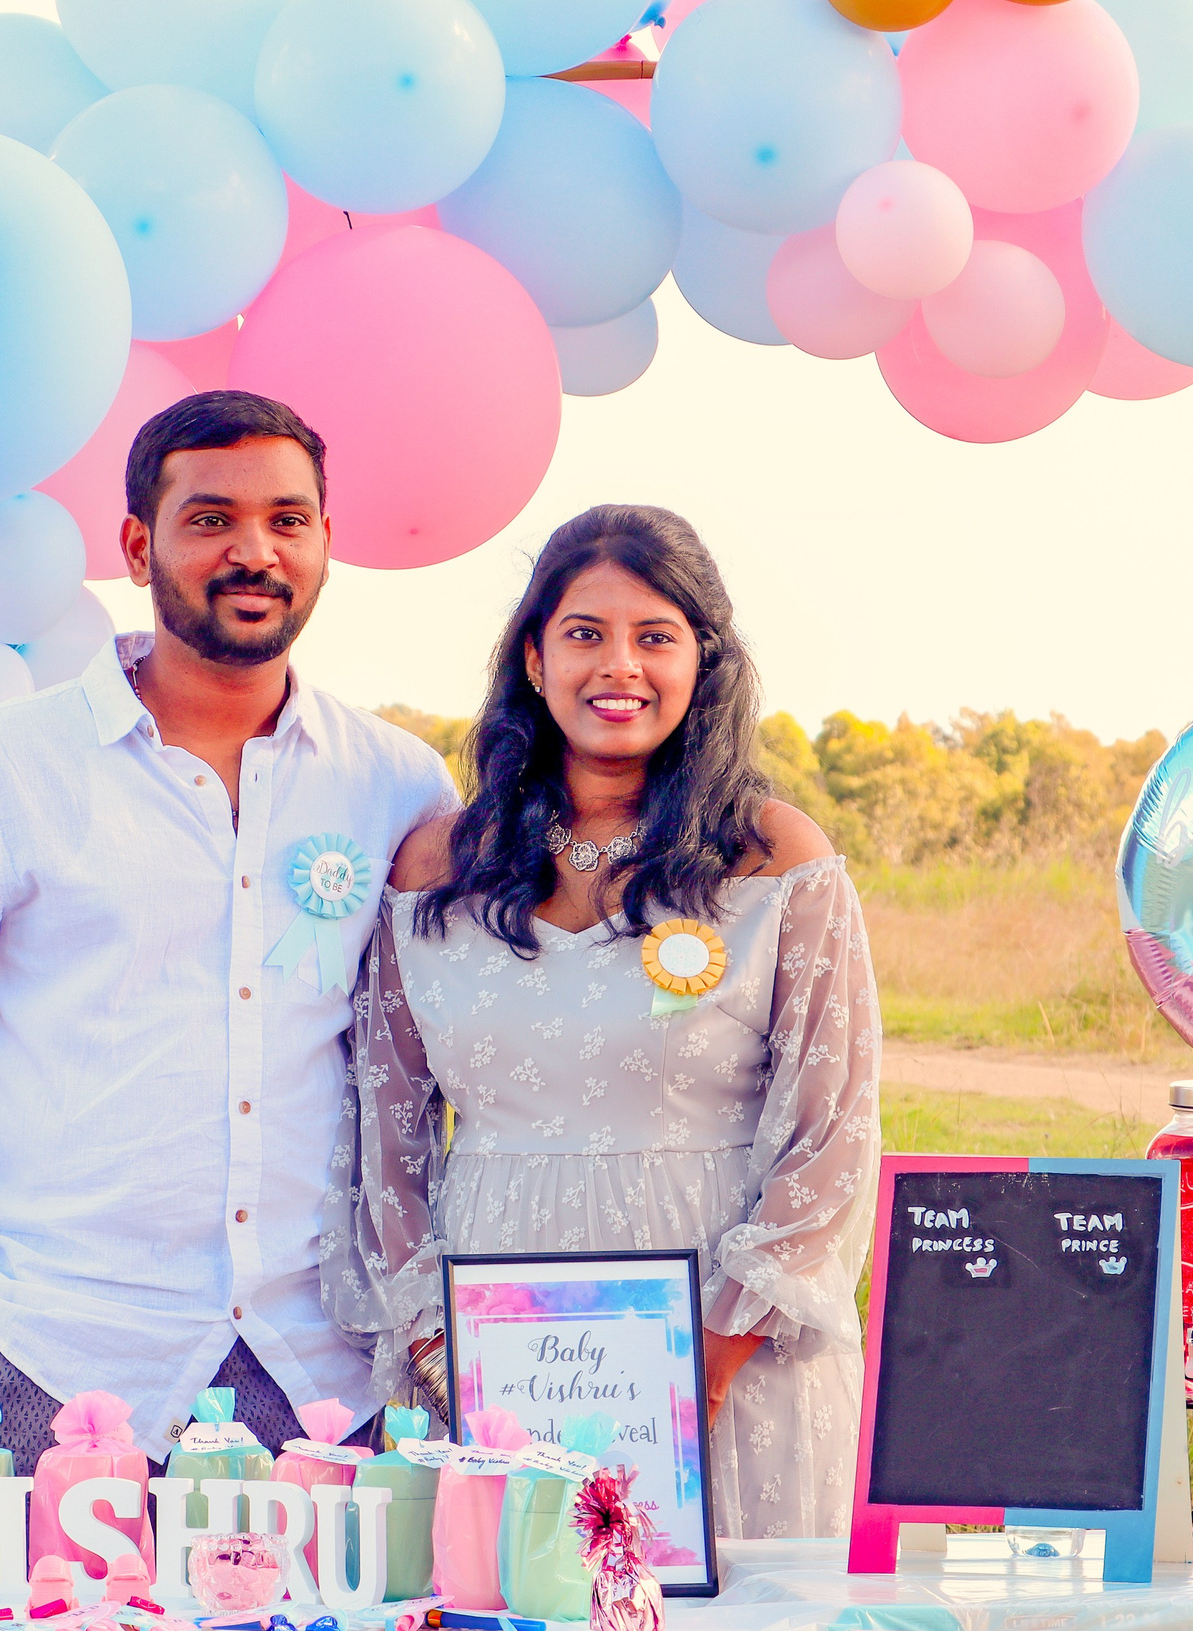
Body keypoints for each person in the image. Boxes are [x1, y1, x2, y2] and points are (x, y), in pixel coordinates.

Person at [0, 391, 459, 1464]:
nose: (252, 550)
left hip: (327, 1379)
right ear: (136, 544)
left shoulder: (399, 784)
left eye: (286, 519)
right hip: (52, 1363)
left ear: (323, 544)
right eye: (210, 518)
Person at [322, 504, 882, 1539]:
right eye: (584, 632)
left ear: (702, 663)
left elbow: (831, 1138)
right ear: (533, 658)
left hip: (729, 1359)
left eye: (654, 636)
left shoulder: (775, 857)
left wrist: (695, 1370)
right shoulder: (434, 865)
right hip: (486, 1373)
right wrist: (447, 1353)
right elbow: (384, 1143)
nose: (616, 665)